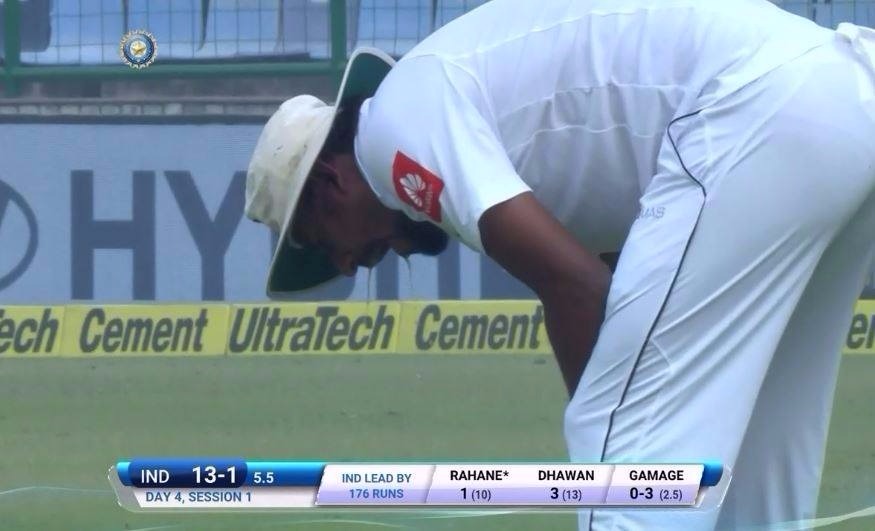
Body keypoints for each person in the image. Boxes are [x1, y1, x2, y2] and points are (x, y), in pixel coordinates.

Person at [244, 0, 875, 528]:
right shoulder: (474, 108)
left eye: (325, 243)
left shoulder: (389, 133)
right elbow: (602, 275)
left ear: (330, 183)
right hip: (843, 100)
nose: (351, 264)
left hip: (753, 108)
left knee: (627, 458)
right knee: (759, 467)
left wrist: (613, 430)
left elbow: (576, 286)